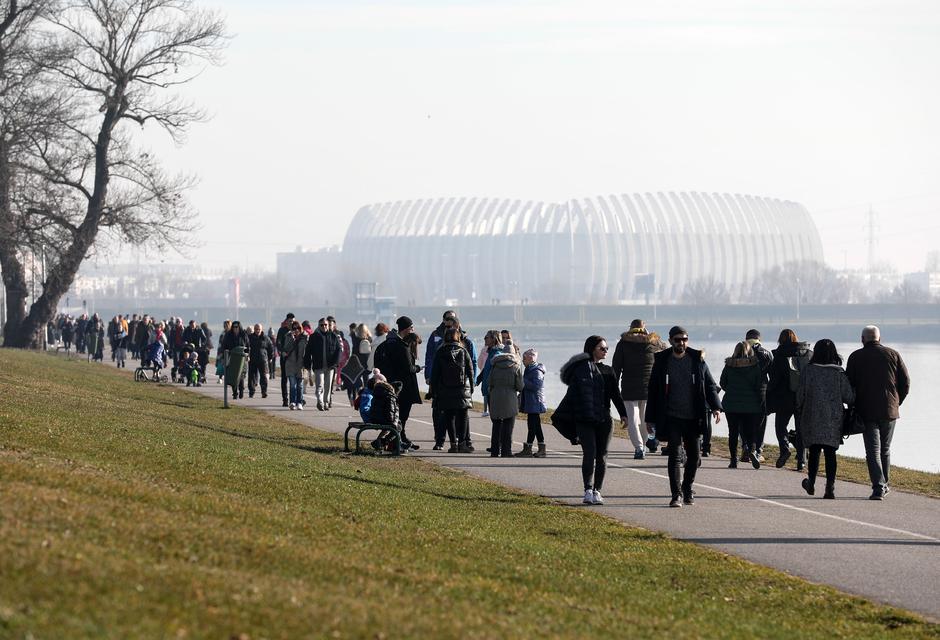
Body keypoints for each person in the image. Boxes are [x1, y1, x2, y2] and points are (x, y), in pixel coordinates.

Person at [646, 326, 722, 508]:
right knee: (674, 456)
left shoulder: (697, 361)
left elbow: (710, 386)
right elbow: (653, 391)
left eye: (685, 339)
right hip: (671, 416)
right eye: (678, 339)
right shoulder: (662, 361)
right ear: (671, 340)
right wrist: (650, 418)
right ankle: (676, 494)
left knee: (694, 457)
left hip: (693, 417)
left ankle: (687, 488)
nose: (682, 343)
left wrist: (716, 408)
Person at [559, 336, 628, 506]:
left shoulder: (608, 370)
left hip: (604, 418)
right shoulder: (580, 370)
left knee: (602, 456)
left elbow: (615, 395)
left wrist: (624, 414)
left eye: (606, 348)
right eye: (602, 348)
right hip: (585, 418)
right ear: (592, 349)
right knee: (589, 454)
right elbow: (573, 395)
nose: (605, 351)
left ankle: (597, 490)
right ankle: (587, 490)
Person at [846, 325, 911, 500]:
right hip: (889, 410)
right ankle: (884, 484)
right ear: (879, 339)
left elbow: (848, 385)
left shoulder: (855, 357)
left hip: (865, 410)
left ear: (862, 339)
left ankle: (879, 487)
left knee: (873, 451)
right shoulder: (893, 354)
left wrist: (852, 404)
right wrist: (897, 402)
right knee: (885, 449)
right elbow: (905, 383)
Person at [798, 339, 855, 499]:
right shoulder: (838, 372)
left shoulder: (808, 371)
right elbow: (849, 397)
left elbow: (800, 395)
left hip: (812, 416)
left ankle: (812, 482)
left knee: (814, 451)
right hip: (833, 418)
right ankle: (830, 487)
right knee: (831, 453)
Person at [611, 319, 659, 460]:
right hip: (648, 388)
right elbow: (664, 349)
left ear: (630, 328)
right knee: (645, 420)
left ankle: (638, 448)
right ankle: (643, 445)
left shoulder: (623, 344)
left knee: (632, 420)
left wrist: (612, 387)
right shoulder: (652, 343)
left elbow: (616, 367)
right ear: (644, 329)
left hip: (629, 388)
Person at [373, 316, 423, 450]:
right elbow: (408, 368)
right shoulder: (401, 346)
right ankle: (395, 440)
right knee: (401, 415)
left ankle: (400, 437)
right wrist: (418, 368)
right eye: (412, 328)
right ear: (407, 329)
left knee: (394, 414)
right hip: (402, 386)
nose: (413, 330)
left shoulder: (385, 344)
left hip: (387, 385)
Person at [766, 329, 813, 470]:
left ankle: (785, 449)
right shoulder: (808, 354)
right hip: (802, 398)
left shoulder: (779, 355)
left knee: (780, 426)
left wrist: (767, 393)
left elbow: (774, 380)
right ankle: (802, 460)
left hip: (784, 398)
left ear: (780, 340)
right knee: (801, 428)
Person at [429, 327, 475, 452]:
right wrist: (471, 386)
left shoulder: (440, 351)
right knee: (463, 416)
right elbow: (470, 370)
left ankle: (453, 444)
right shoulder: (463, 350)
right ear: (458, 337)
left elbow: (435, 373)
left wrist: (433, 390)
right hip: (462, 389)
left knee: (450, 417)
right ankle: (462, 443)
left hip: (445, 389)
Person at [720, 341, 764, 469]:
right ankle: (751, 451)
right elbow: (758, 385)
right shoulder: (755, 366)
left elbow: (723, 383)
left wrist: (731, 389)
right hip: (751, 405)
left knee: (732, 432)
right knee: (750, 431)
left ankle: (733, 459)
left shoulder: (729, 365)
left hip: (731, 404)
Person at [487, 344, 524, 458]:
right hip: (510, 397)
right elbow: (520, 386)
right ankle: (506, 451)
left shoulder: (494, 365)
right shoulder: (516, 366)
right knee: (508, 425)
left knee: (496, 425)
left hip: (496, 396)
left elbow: (489, 382)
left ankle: (494, 450)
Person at [745, 329, 774, 461]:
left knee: (745, 421)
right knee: (761, 421)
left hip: (745, 390)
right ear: (759, 339)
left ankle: (746, 449)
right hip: (762, 390)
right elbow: (773, 375)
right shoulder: (767, 353)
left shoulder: (741, 351)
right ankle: (757, 450)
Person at [516, 348, 547, 458]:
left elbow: (536, 386)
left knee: (532, 426)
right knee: (536, 425)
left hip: (535, 401)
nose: (523, 361)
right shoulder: (529, 369)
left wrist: (522, 380)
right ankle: (541, 448)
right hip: (531, 401)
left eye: (524, 359)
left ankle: (528, 448)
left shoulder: (536, 371)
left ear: (530, 359)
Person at [305, 317, 341, 411]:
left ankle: (326, 402)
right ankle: (320, 401)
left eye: (326, 325)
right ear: (319, 326)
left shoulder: (333, 336)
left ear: (328, 326)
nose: (324, 326)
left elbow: (338, 350)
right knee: (319, 385)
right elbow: (308, 351)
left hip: (330, 366)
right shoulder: (313, 337)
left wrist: (336, 363)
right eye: (322, 325)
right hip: (318, 366)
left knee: (328, 386)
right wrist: (307, 365)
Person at [281, 320, 308, 410]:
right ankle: (292, 402)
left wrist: (308, 364)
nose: (296, 330)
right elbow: (285, 349)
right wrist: (291, 339)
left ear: (301, 328)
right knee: (293, 384)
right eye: (294, 328)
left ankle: (299, 402)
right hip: (290, 364)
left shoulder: (305, 338)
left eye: (298, 328)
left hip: (301, 365)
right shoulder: (288, 337)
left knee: (299, 385)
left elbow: (308, 351)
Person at [221, 320, 250, 399]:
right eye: (234, 327)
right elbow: (224, 346)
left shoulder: (243, 335)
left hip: (242, 358)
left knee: (241, 375)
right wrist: (224, 356)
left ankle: (241, 390)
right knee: (233, 375)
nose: (235, 328)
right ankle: (235, 392)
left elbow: (247, 346)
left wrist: (248, 355)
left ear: (239, 327)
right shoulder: (228, 335)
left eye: (237, 327)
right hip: (232, 358)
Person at [477, 329, 503, 418]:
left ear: (494, 339)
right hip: (488, 390)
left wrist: (491, 387)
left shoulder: (497, 354)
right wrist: (477, 380)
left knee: (497, 419)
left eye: (487, 337)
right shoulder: (491, 352)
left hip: (493, 391)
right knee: (494, 418)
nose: (484, 339)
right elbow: (486, 370)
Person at [247, 323, 274, 398]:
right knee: (251, 377)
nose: (257, 331)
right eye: (256, 329)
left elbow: (271, 348)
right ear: (254, 330)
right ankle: (251, 391)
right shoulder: (250, 338)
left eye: (259, 329)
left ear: (261, 330)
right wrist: (247, 356)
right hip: (252, 360)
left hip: (263, 360)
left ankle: (264, 391)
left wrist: (270, 357)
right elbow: (246, 347)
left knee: (263, 377)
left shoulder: (266, 338)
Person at [276, 313, 295, 406]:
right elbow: (278, 343)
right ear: (286, 322)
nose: (291, 323)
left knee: (293, 379)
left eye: (292, 321)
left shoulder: (296, 330)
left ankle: (293, 399)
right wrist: (282, 351)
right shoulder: (282, 330)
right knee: (284, 379)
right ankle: (285, 399)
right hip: (284, 357)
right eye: (289, 321)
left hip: (294, 359)